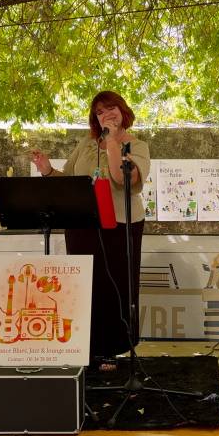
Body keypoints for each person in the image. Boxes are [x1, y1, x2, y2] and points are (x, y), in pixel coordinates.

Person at [30, 91, 150, 371]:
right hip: (82, 223)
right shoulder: (85, 144)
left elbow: (123, 179)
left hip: (121, 224)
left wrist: (111, 141)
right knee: (84, 284)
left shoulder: (138, 145)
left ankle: (112, 348)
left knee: (115, 285)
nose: (106, 115)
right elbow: (70, 182)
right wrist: (48, 170)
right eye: (99, 112)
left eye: (111, 109)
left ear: (122, 111)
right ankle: (86, 347)